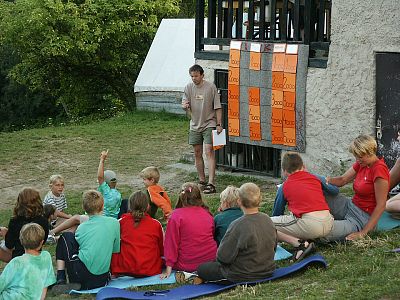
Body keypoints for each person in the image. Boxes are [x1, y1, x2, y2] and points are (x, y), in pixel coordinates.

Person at [187, 183, 276, 284]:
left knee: (202, 268)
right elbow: (274, 247)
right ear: (259, 199)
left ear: (239, 201)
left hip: (243, 274)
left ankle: (198, 277)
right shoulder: (268, 219)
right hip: (268, 270)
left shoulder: (237, 225)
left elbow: (223, 258)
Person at [325, 134, 390, 241]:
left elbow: (381, 205)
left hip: (362, 218)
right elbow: (342, 180)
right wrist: (326, 180)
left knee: (324, 231)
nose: (357, 159)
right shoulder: (362, 163)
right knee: (320, 194)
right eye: (356, 156)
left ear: (370, 153)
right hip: (350, 205)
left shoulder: (379, 170)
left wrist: (363, 233)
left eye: (360, 156)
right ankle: (307, 218)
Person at [271, 152, 333, 260]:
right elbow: (335, 190)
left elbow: (278, 212)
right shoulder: (315, 178)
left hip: (310, 223)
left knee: (265, 223)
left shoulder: (284, 186)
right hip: (329, 221)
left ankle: (300, 244)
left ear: (285, 172)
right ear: (303, 166)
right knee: (297, 222)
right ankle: (307, 241)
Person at [54, 190, 120, 290]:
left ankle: (61, 277)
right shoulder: (114, 223)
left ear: (84, 208)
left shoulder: (82, 227)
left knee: (66, 237)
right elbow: (115, 250)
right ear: (102, 206)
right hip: (102, 279)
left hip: (81, 275)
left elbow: (79, 246)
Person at [160, 182, 217, 279]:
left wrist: (168, 268)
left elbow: (171, 243)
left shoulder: (176, 216)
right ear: (199, 197)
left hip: (187, 264)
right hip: (210, 261)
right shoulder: (207, 214)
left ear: (181, 197)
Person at [182, 64, 223, 194]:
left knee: (209, 150)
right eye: (192, 76)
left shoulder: (210, 87)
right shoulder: (188, 87)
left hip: (209, 123)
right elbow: (184, 102)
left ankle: (211, 183)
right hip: (194, 124)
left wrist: (219, 124)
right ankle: (202, 180)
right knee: (197, 152)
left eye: (196, 76)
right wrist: (185, 106)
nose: (194, 78)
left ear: (202, 75)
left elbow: (218, 107)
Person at [111, 191, 164, 277]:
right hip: (150, 268)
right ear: (148, 206)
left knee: (115, 244)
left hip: (126, 268)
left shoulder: (121, 222)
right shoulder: (156, 224)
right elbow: (162, 248)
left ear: (129, 207)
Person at [0, 223, 56, 300]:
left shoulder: (16, 262)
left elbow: (2, 283)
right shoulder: (46, 256)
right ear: (41, 242)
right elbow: (46, 283)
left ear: (21, 241)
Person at [0, 187, 49, 262]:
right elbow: (43, 240)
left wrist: (5, 234)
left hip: (19, 257)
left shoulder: (15, 221)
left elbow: (9, 245)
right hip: (37, 253)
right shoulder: (43, 220)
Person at [98, 150, 124, 219]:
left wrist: (102, 160)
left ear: (105, 183)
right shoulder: (118, 195)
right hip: (113, 220)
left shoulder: (106, 192)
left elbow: (100, 177)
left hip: (101, 219)